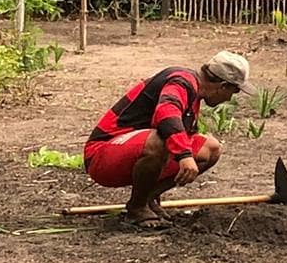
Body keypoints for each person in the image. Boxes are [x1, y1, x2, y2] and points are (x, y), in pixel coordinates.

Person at [83, 51, 257, 229]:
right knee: (161, 140)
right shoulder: (181, 82)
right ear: (222, 86)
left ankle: (147, 199)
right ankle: (137, 208)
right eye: (233, 92)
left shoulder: (194, 93)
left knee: (211, 149)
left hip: (129, 150)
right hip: (101, 155)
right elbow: (166, 114)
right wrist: (184, 155)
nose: (229, 98)